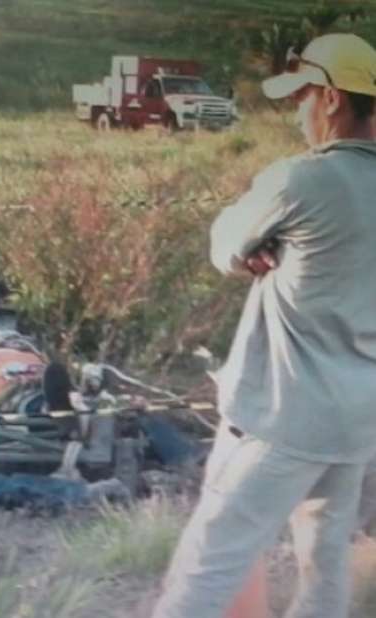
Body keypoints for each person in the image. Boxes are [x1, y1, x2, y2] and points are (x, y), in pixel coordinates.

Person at [151, 33, 376, 618]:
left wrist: (251, 251)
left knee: (209, 561)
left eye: (300, 96)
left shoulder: (302, 179)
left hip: (284, 416)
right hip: (357, 420)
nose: (296, 112)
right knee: (324, 568)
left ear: (330, 98)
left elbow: (226, 242)